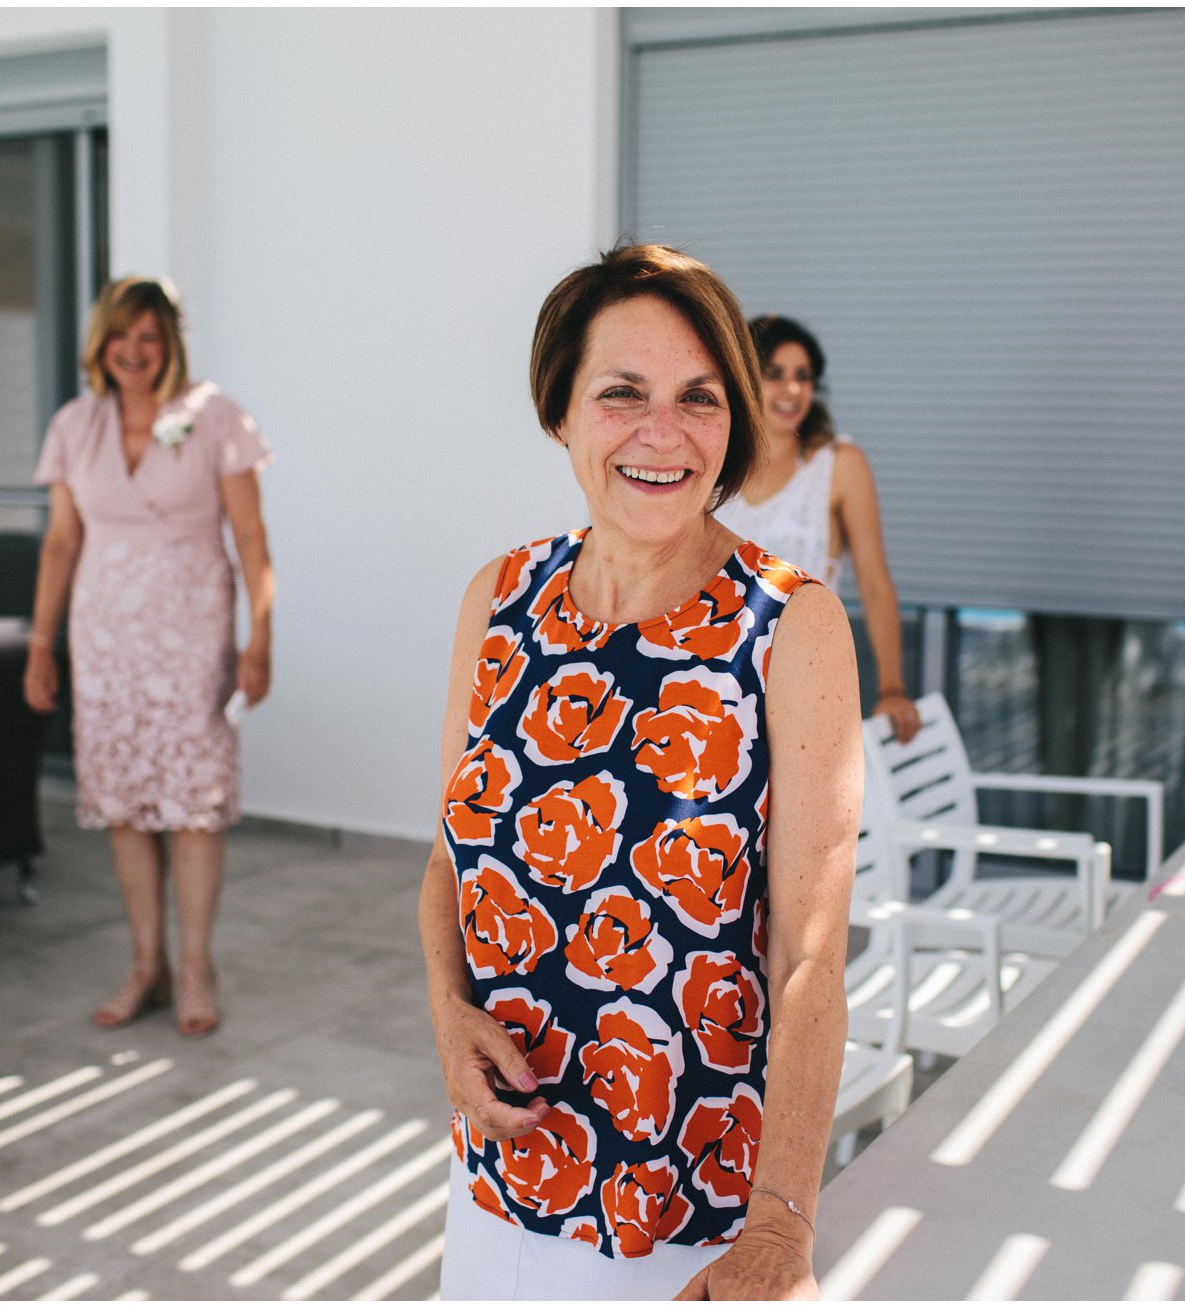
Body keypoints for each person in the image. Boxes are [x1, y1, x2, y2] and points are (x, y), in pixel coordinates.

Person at [420, 245, 862, 1299]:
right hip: (495, 1188)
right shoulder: (499, 598)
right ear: (560, 413)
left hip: (691, 1221)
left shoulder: (788, 625)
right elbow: (448, 856)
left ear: (734, 425)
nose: (662, 434)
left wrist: (780, 1229)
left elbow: (810, 956)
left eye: (698, 399)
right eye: (622, 393)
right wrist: (446, 1009)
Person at [23, 275, 274, 1038]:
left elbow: (251, 540)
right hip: (104, 642)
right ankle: (146, 966)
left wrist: (258, 637)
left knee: (193, 808)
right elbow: (63, 541)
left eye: (149, 336)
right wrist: (41, 643)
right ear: (100, 343)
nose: (134, 351)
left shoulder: (214, 417)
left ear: (169, 344)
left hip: (193, 636)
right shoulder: (75, 424)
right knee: (126, 805)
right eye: (120, 336)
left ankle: (196, 967)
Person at [711, 315, 921, 744]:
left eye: (803, 377)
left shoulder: (839, 465)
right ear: (745, 380)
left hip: (806, 680)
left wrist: (893, 690)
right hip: (715, 683)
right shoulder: (712, 461)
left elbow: (875, 584)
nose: (792, 390)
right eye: (775, 375)